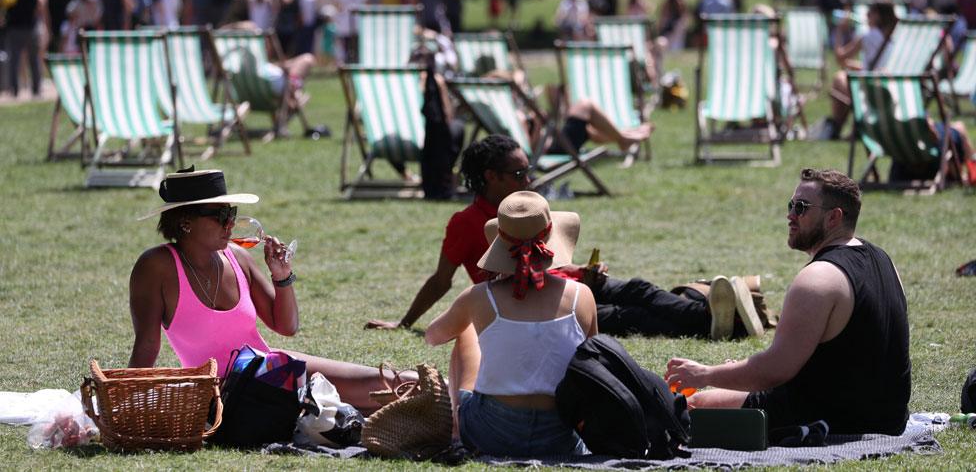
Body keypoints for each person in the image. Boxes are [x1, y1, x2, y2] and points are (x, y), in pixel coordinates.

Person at [366, 135, 764, 341]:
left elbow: (551, 256)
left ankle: (716, 314)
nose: (530, 180)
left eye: (529, 171)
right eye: (520, 174)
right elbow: (441, 281)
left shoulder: (529, 204)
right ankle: (725, 317)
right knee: (630, 319)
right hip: (540, 301)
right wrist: (403, 324)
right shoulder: (467, 223)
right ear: (492, 178)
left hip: (571, 281)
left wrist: (579, 270)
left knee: (640, 289)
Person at [129, 167, 407, 412]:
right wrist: (126, 403)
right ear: (185, 222)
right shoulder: (156, 266)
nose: (230, 223)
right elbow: (147, 346)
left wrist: (282, 276)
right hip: (224, 392)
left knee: (385, 384)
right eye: (220, 215)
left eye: (232, 213)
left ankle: (449, 393)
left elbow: (286, 326)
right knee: (368, 403)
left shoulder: (237, 257)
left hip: (270, 371)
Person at [667, 168, 911, 436]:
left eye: (801, 207)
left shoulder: (818, 278)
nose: (790, 215)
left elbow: (775, 370)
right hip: (889, 418)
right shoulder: (882, 258)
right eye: (791, 205)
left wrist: (704, 374)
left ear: (834, 217)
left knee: (692, 406)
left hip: (835, 419)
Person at [424, 191, 598, 457]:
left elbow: (434, 336)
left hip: (490, 433)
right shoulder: (581, 296)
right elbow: (594, 364)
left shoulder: (480, 297)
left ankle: (456, 433)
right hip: (559, 434)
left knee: (467, 330)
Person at [820, 0, 898, 140]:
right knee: (845, 76)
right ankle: (851, 129)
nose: (867, 15)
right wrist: (855, 65)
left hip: (871, 89)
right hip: (890, 87)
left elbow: (839, 57)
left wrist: (840, 30)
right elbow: (878, 65)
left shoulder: (868, 36)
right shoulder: (893, 38)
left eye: (870, 13)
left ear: (878, 16)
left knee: (839, 78)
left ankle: (836, 127)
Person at [6, 0, 43, 98]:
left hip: (15, 30)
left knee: (14, 61)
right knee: (34, 61)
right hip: (30, 30)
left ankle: (14, 90)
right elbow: (38, 11)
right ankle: (36, 90)